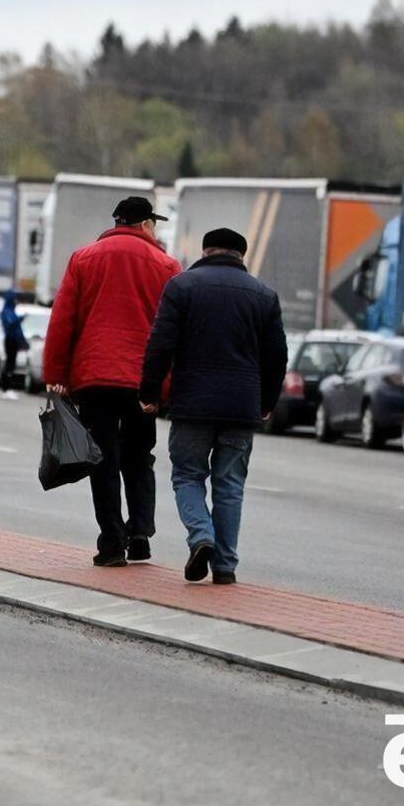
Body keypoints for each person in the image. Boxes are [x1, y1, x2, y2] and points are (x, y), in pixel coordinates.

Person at [139, 227, 288, 585]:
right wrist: (266, 402)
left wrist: (149, 392)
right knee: (230, 484)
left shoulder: (182, 287)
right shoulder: (264, 295)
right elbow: (277, 357)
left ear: (206, 251)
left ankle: (201, 535)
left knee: (188, 475)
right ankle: (225, 566)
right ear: (242, 256)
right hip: (241, 406)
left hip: (193, 403)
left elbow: (161, 344)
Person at [43, 197, 181, 567]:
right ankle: (140, 533)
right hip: (142, 381)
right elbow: (171, 331)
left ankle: (111, 542)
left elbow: (63, 320)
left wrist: (56, 375)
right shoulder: (167, 266)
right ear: (145, 225)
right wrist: (166, 386)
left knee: (101, 458)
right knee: (139, 456)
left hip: (94, 378)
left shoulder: (83, 258)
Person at [0, 290, 28, 399]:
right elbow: (10, 323)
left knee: (11, 364)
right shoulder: (6, 311)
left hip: (13, 340)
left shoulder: (11, 311)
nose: (16, 301)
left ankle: (8, 388)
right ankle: (6, 388)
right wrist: (19, 319)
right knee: (9, 364)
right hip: (10, 340)